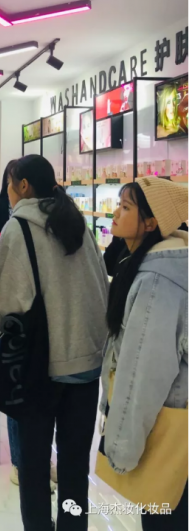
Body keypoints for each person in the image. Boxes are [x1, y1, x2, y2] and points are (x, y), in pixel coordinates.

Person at [0, 155, 109, 531]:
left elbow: (9, 304)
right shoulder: (76, 222)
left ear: (23, 186)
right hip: (86, 365)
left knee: (34, 468)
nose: (8, 193)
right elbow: (100, 287)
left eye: (10, 184)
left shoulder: (18, 228)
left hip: (40, 367)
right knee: (74, 469)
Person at [100, 177, 188, 531]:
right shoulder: (152, 264)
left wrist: (121, 448)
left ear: (151, 223)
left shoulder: (156, 281)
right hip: (172, 419)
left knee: (163, 513)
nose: (115, 213)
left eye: (126, 207)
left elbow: (142, 372)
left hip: (169, 427)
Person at [0, 164, 57, 490]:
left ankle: (34, 462)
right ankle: (23, 463)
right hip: (23, 323)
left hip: (27, 323)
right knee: (21, 398)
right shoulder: (7, 218)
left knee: (27, 397)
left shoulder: (48, 218)